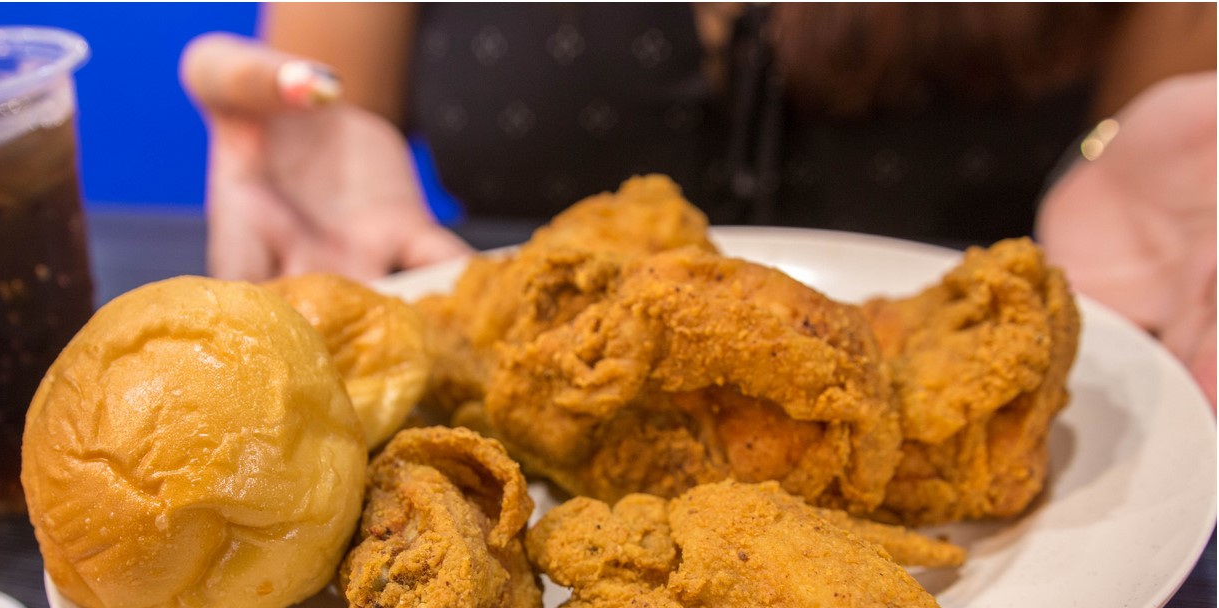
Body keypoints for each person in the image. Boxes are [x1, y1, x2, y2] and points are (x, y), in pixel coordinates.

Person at [180, 3, 1216, 408]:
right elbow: (326, 107)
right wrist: (306, 159)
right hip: (498, 369)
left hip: (1019, 423)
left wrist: (1133, 162)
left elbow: (1150, 132)